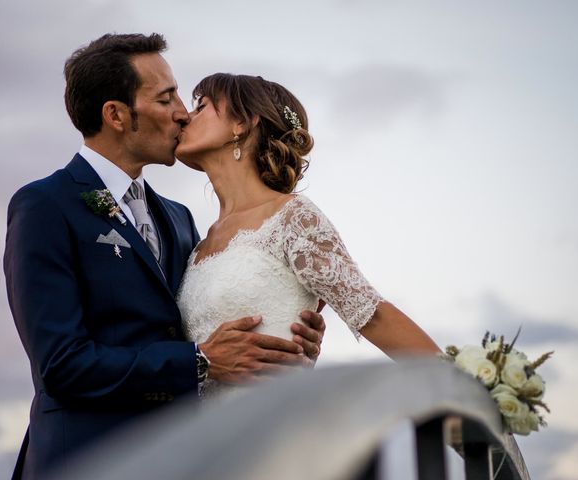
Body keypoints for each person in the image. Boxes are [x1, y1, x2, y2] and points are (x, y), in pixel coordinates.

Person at [3, 34, 325, 480]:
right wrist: (199, 362)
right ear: (116, 115)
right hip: (84, 462)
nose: (183, 112)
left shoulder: (179, 218)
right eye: (166, 97)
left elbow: (203, 318)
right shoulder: (45, 205)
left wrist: (287, 336)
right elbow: (61, 365)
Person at [174, 73, 442, 399]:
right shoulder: (199, 242)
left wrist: (470, 393)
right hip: (199, 438)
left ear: (241, 124)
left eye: (201, 106)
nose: (184, 117)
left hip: (268, 427)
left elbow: (372, 313)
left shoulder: (293, 219)